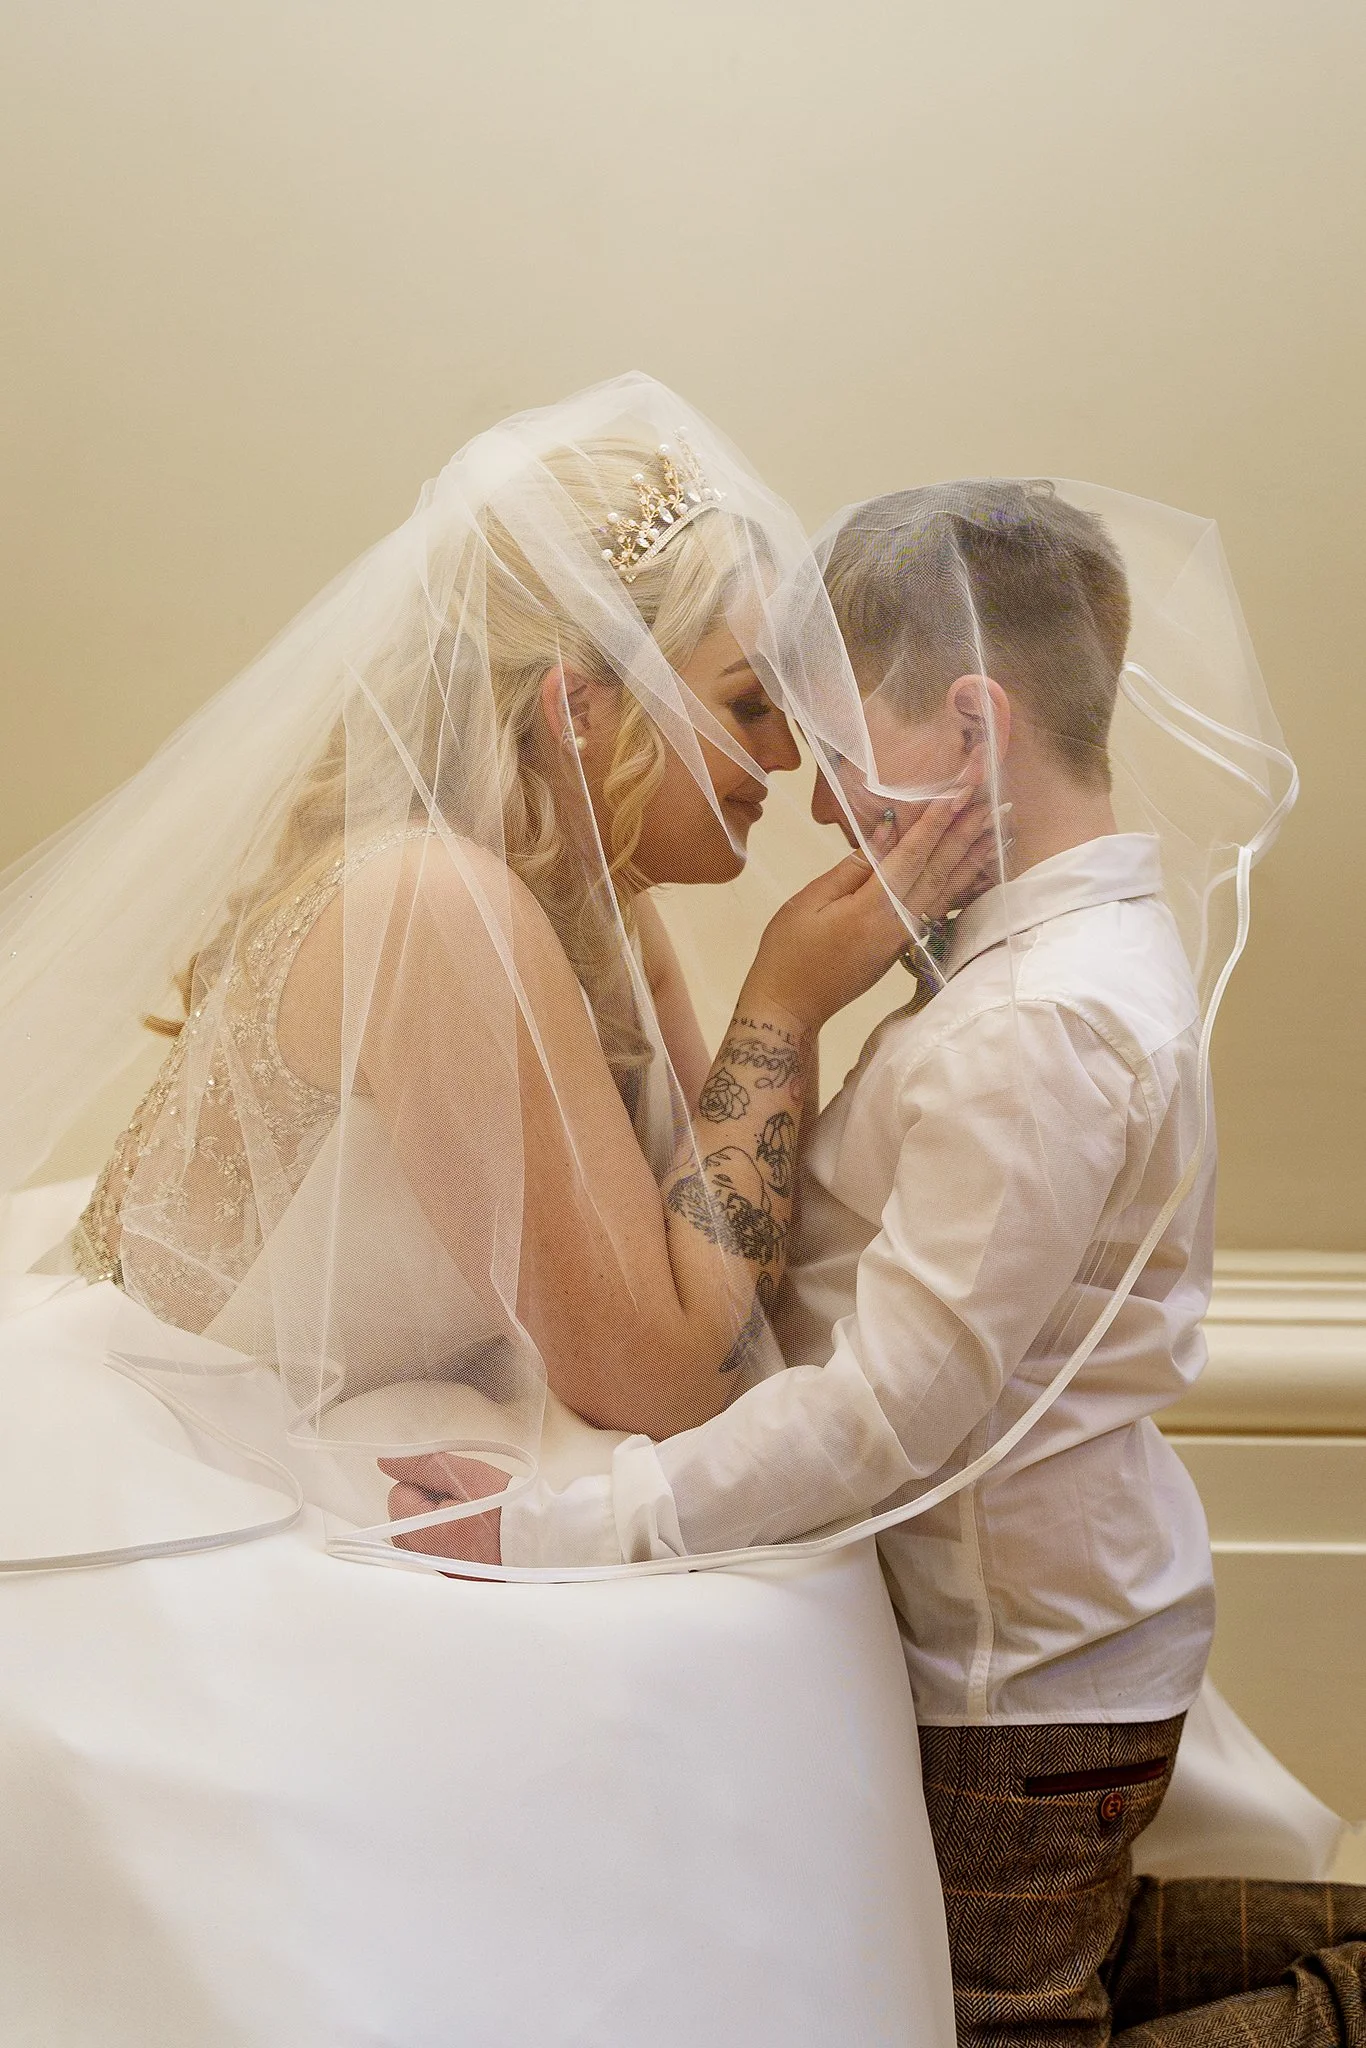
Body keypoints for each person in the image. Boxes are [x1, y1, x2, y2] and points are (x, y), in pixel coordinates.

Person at [400, 480, 1364, 2045]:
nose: (814, 799)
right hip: (1040, 1655)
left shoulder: (1034, 1028)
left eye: (839, 747)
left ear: (970, 730)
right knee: (1054, 1951)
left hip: (1014, 1694)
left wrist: (562, 1530)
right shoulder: (1038, 973)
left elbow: (886, 1415)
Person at [0, 374, 993, 1563]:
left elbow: (736, 1288)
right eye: (748, 703)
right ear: (577, 710)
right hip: (198, 1464)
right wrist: (781, 1005)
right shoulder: (433, 904)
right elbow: (674, 1380)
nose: (786, 753)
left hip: (375, 1424)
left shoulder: (601, 907)